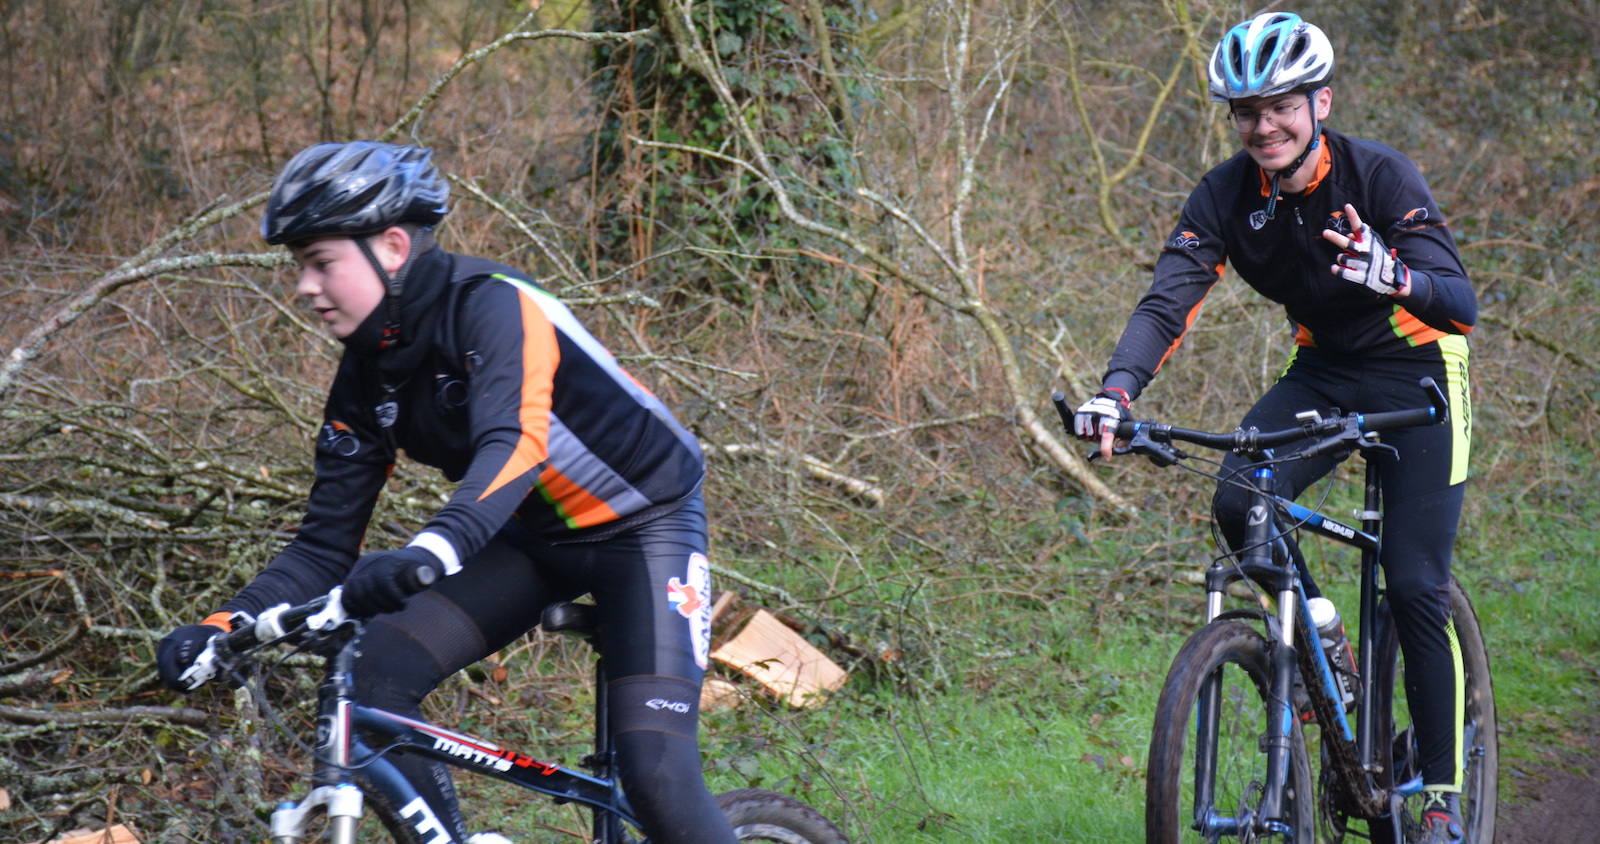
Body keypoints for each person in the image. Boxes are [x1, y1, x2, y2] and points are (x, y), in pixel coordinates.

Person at [155, 141, 739, 844]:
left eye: (320, 262)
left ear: (392, 247)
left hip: (646, 527)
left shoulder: (496, 306)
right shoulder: (367, 373)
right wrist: (224, 627)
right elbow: (323, 545)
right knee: (373, 677)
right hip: (531, 536)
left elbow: (515, 446)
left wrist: (432, 551)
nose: (304, 286)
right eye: (298, 266)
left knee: (657, 774)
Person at [1072, 13, 1475, 844]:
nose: (1265, 127)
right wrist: (1115, 392)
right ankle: (1325, 639)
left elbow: (1460, 303)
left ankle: (1440, 797)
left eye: (1283, 106)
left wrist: (1394, 275)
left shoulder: (1379, 175)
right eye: (1247, 112)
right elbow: (1169, 300)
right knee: (1238, 498)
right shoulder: (1225, 196)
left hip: (1419, 373)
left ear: (1319, 103)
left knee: (1413, 583)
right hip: (1322, 370)